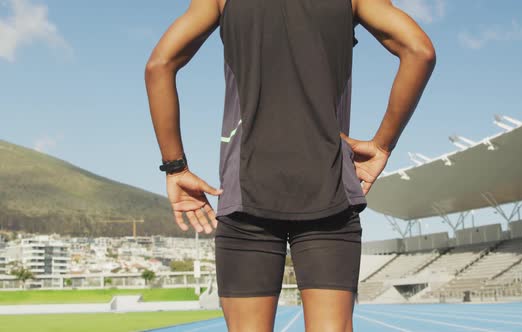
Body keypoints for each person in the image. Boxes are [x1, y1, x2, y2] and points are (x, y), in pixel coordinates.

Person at [144, 0, 435, 330]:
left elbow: (159, 65)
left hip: (245, 192)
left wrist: (176, 168)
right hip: (330, 192)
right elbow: (419, 50)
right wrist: (383, 145)